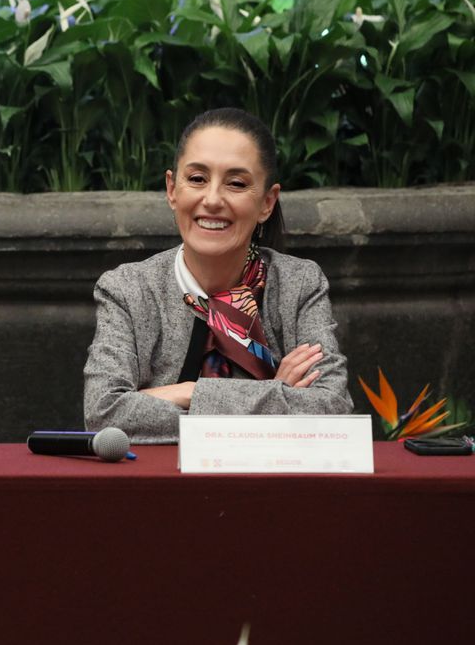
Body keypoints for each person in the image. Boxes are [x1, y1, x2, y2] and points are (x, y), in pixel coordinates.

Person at [83, 107, 353, 444]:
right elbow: (104, 413)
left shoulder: (299, 284)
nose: (212, 200)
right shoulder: (127, 289)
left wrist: (181, 394)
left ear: (267, 202)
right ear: (172, 189)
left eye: (236, 184)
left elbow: (332, 410)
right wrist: (276, 393)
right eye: (197, 179)